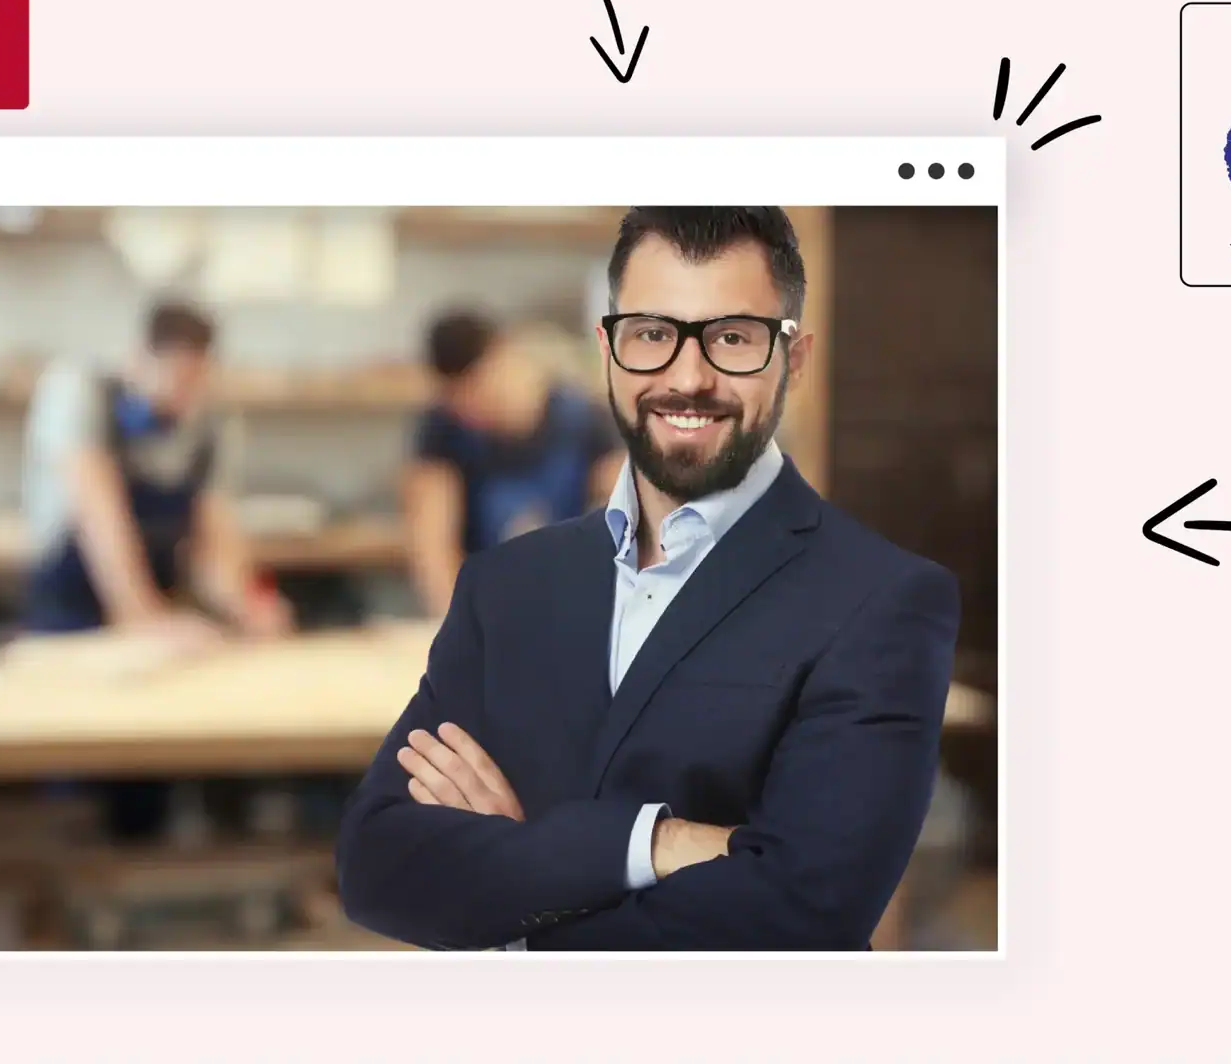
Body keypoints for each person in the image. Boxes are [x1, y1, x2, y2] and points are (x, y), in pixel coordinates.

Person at [335, 208, 962, 950]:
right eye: (653, 335)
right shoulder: (505, 588)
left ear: (792, 360)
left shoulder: (882, 601)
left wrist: (511, 884)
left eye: (732, 338)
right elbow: (378, 867)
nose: (687, 377)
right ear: (609, 350)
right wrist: (651, 844)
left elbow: (803, 914)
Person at [18, 297, 292, 841]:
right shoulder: (81, 392)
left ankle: (139, 886)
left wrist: (247, 601)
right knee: (76, 774)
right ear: (140, 358)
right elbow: (103, 520)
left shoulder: (211, 424)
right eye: (175, 378)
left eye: (196, 381)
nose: (183, 396)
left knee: (147, 775)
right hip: (71, 610)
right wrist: (144, 617)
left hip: (156, 615)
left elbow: (216, 540)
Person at [402, 310, 622, 620]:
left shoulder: (586, 420)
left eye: (480, 393)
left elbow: (628, 525)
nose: (471, 411)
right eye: (459, 402)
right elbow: (432, 546)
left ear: (504, 355)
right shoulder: (443, 430)